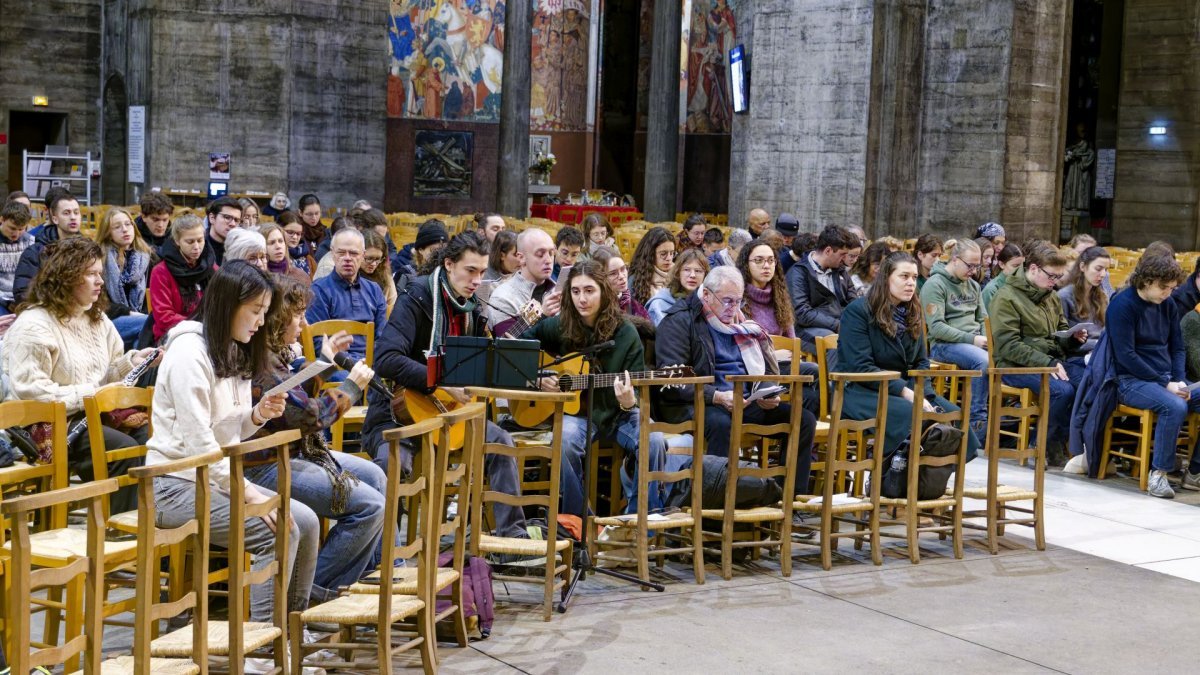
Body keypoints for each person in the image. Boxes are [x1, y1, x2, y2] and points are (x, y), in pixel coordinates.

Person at [145, 261, 319, 629]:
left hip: (211, 478)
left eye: (264, 312)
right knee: (279, 531)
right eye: (255, 311)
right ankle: (263, 645)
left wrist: (257, 414)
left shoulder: (234, 347)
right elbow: (200, 444)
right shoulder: (188, 352)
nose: (260, 321)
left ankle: (291, 629)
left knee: (307, 520)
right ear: (228, 304)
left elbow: (228, 433)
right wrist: (248, 494)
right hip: (173, 484)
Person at [362, 230, 528, 539]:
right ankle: (384, 555)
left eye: (481, 272)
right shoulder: (417, 297)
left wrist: (526, 374)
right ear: (449, 265)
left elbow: (482, 367)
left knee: (502, 442)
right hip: (397, 413)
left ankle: (512, 538)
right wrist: (439, 380)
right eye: (470, 271)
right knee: (392, 464)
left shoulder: (473, 310)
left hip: (452, 416)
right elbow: (385, 359)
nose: (477, 279)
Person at [249, 276, 391, 601]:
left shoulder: (274, 354)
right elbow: (309, 416)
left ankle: (368, 579)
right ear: (278, 318)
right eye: (298, 315)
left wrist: (325, 364)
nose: (304, 324)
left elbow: (295, 392)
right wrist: (351, 388)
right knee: (370, 507)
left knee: (375, 475)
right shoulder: (263, 363)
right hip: (267, 464)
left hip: (293, 450)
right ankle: (317, 592)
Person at [4, 237, 162, 514]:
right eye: (91, 274)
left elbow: (109, 371)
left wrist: (133, 361)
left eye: (100, 273)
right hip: (47, 423)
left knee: (150, 438)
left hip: (91, 414)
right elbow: (31, 391)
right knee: (122, 449)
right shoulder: (33, 324)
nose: (99, 281)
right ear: (65, 278)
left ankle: (139, 519)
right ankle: (119, 530)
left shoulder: (97, 319)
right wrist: (91, 395)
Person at [655, 266, 817, 495]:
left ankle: (785, 498)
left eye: (738, 301)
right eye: (727, 301)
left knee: (803, 419)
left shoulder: (741, 324)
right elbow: (672, 382)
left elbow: (758, 366)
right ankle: (718, 503)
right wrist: (717, 396)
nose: (734, 308)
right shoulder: (680, 321)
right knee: (722, 424)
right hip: (696, 401)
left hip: (742, 398)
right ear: (707, 294)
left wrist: (767, 393)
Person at [524, 262, 667, 515]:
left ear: (603, 291)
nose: (582, 299)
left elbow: (635, 394)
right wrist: (538, 377)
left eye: (589, 290)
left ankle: (639, 522)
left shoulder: (625, 333)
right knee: (565, 441)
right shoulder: (560, 325)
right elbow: (518, 349)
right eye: (576, 291)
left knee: (653, 439)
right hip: (577, 416)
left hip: (617, 414)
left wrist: (627, 401)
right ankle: (577, 521)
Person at [839, 252, 980, 461]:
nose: (911, 283)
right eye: (904, 276)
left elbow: (921, 362)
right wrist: (906, 392)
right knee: (912, 414)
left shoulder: (912, 312)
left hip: (904, 389)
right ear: (887, 277)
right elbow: (860, 367)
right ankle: (897, 476)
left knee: (954, 414)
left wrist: (925, 393)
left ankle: (930, 478)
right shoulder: (858, 312)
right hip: (862, 390)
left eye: (914, 277)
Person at [1104, 254, 1198, 498]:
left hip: (1164, 377)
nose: (1168, 293)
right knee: (1175, 406)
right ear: (1147, 281)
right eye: (1163, 287)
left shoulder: (1167, 305)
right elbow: (1126, 356)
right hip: (1129, 379)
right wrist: (1165, 383)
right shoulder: (1122, 305)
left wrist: (1177, 379)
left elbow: (1177, 347)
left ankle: (1195, 472)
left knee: (1181, 398)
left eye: (1172, 288)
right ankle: (1159, 474)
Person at [990, 244, 1088, 464]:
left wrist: (1071, 338)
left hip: (1049, 360)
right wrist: (1048, 361)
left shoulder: (1050, 296)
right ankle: (1039, 445)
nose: (1054, 282)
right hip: (1013, 365)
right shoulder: (1006, 297)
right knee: (1062, 391)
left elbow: (1059, 332)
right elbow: (1007, 345)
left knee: (1086, 381)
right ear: (1033, 269)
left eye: (1058, 277)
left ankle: (1061, 443)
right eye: (1051, 276)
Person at [920, 239, 989, 434]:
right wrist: (973, 340)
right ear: (956, 259)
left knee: (1003, 355)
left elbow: (984, 319)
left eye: (977, 266)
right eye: (970, 265)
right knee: (984, 362)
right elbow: (937, 328)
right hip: (944, 344)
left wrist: (986, 340)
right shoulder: (935, 284)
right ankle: (977, 422)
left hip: (974, 342)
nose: (974, 271)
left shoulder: (973, 286)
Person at [305, 229, 387, 369]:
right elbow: (318, 342)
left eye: (354, 253)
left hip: (370, 364)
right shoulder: (318, 290)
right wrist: (351, 364)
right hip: (335, 365)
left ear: (363, 255)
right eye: (341, 253)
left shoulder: (374, 290)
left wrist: (368, 362)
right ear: (332, 254)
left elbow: (382, 337)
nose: (347, 258)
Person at [786, 224, 859, 356]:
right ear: (828, 251)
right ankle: (834, 377)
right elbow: (802, 313)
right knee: (834, 342)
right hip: (806, 330)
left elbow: (853, 300)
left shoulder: (840, 270)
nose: (845, 259)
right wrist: (837, 325)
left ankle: (868, 375)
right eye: (842, 254)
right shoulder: (798, 273)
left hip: (840, 324)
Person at [149, 213, 216, 342]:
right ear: (177, 241)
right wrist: (200, 326)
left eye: (200, 240)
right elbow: (164, 317)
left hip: (207, 330)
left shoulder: (211, 268)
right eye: (190, 242)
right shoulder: (161, 272)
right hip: (173, 333)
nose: (196, 247)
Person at [485, 228, 562, 337]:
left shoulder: (557, 291)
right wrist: (542, 315)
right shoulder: (502, 298)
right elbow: (507, 347)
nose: (549, 260)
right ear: (521, 258)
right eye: (540, 254)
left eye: (551, 253)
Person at [13, 190, 82, 306]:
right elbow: (23, 294)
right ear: (54, 219)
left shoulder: (88, 251)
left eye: (76, 212)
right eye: (66, 213)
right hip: (46, 312)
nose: (73, 217)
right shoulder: (35, 252)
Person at [96, 207, 152, 348]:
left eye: (128, 224)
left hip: (140, 317)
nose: (125, 229)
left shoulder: (147, 257)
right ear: (108, 233)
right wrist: (129, 313)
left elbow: (151, 295)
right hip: (107, 320)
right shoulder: (100, 259)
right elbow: (98, 303)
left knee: (142, 339)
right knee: (151, 325)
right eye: (117, 227)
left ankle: (133, 368)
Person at [737, 238, 794, 338]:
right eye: (759, 260)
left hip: (782, 352)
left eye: (771, 260)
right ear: (746, 264)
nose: (766, 266)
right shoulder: (737, 297)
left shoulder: (779, 295)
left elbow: (792, 341)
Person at [1057, 246, 1112, 350]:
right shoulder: (1064, 296)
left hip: (1101, 350)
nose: (1103, 274)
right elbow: (1063, 340)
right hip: (1078, 355)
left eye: (1106, 269)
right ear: (1082, 267)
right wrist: (1099, 345)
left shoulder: (1102, 295)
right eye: (1098, 269)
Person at [645, 248, 708, 326]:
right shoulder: (659, 304)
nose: (692, 275)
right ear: (678, 273)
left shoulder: (708, 301)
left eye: (698, 271)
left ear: (705, 275)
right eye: (687, 270)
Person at [590, 246, 652, 322]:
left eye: (623, 269)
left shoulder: (630, 301)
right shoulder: (597, 309)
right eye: (613, 273)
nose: (622, 276)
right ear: (601, 277)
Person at [0, 199, 34, 315]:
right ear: (2, 220)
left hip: (24, 298)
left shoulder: (30, 241)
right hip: (2, 298)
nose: (16, 234)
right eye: (12, 228)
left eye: (21, 229)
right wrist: (6, 303)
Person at [628, 226, 676, 307]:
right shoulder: (636, 280)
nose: (669, 258)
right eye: (663, 254)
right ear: (650, 254)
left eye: (672, 253)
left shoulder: (678, 275)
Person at [392, 219, 447, 287]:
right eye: (433, 251)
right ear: (421, 250)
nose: (439, 255)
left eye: (443, 250)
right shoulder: (406, 273)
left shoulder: (447, 272)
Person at [261, 223, 312, 287]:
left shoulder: (300, 276)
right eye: (271, 243)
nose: (278, 246)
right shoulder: (257, 278)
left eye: (280, 241)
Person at [360, 229, 398, 314]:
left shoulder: (385, 275)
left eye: (378, 259)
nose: (373, 264)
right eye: (369, 258)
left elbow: (393, 306)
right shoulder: (349, 276)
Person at [982, 243, 1024, 310]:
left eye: (1022, 266)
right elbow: (986, 317)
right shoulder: (991, 290)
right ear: (1001, 264)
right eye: (1015, 266)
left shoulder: (1022, 285)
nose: (1020, 270)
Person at [280, 211, 315, 277]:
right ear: (279, 230)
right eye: (290, 232)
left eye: (298, 234)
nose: (295, 237)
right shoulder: (276, 256)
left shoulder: (308, 257)